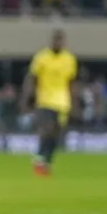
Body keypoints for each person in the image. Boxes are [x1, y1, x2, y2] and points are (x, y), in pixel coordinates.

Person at [22, 29, 77, 176]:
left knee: (56, 135)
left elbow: (71, 82)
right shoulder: (42, 57)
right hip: (44, 100)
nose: (58, 43)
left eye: (61, 41)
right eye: (56, 41)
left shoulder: (69, 59)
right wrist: (27, 98)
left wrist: (74, 102)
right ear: (52, 41)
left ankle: (46, 161)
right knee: (46, 130)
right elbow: (32, 77)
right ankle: (40, 158)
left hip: (62, 102)